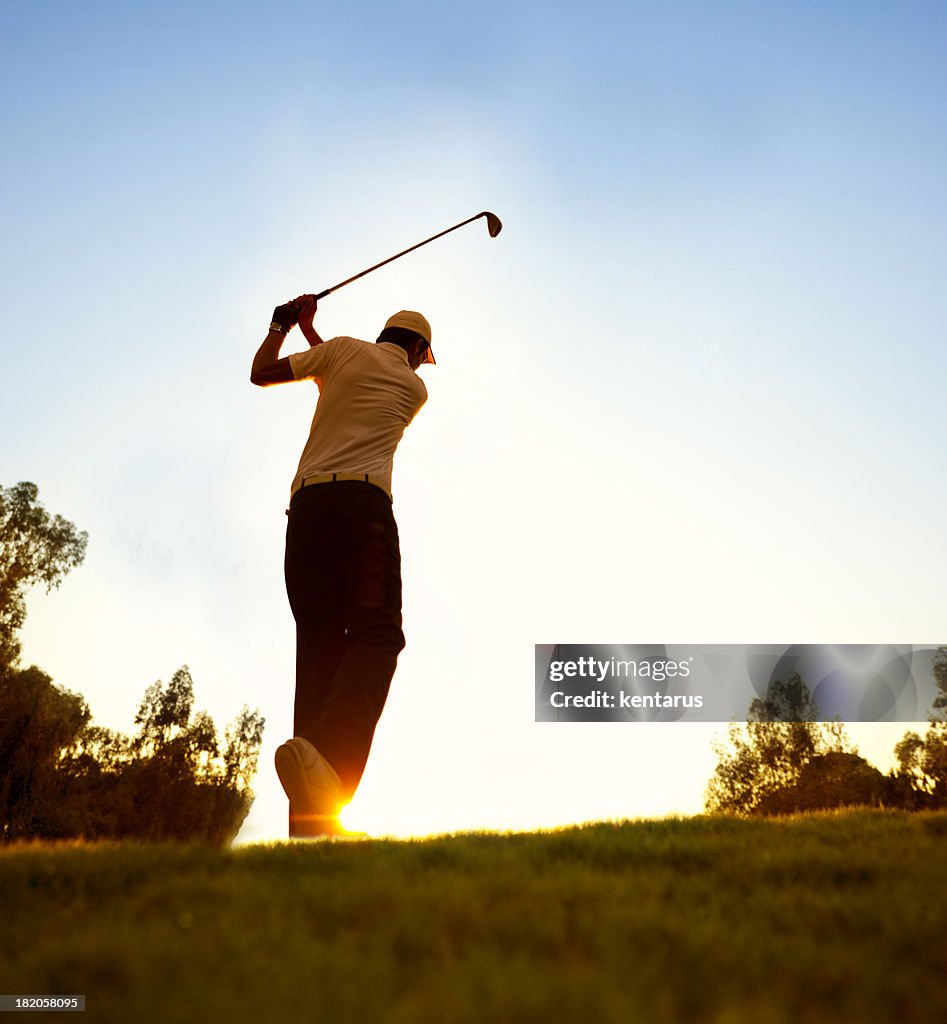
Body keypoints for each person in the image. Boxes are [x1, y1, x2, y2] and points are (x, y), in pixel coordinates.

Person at [250, 294, 433, 837]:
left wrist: (285, 324)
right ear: (419, 350)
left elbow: (263, 372)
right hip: (362, 513)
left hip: (306, 514)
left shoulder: (341, 352)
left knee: (320, 654)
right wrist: (312, 331)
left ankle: (311, 832)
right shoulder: (414, 388)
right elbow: (347, 372)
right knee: (378, 637)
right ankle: (331, 768)